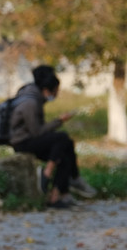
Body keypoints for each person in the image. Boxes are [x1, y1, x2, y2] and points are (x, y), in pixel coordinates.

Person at [9, 64, 96, 208]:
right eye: (56, 90)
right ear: (47, 89)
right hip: (22, 142)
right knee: (62, 138)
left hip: (29, 139)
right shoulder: (30, 102)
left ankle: (57, 197)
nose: (57, 93)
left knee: (65, 151)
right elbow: (36, 132)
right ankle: (50, 173)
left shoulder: (33, 96)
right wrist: (59, 121)